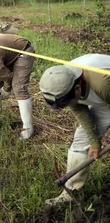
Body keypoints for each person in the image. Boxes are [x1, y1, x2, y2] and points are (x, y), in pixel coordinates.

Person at [39, 53, 110, 205]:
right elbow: (80, 111)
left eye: (65, 102)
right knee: (80, 142)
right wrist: (94, 142)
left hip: (106, 94)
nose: (64, 107)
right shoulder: (64, 82)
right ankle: (71, 192)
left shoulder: (103, 82)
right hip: (104, 103)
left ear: (78, 88)